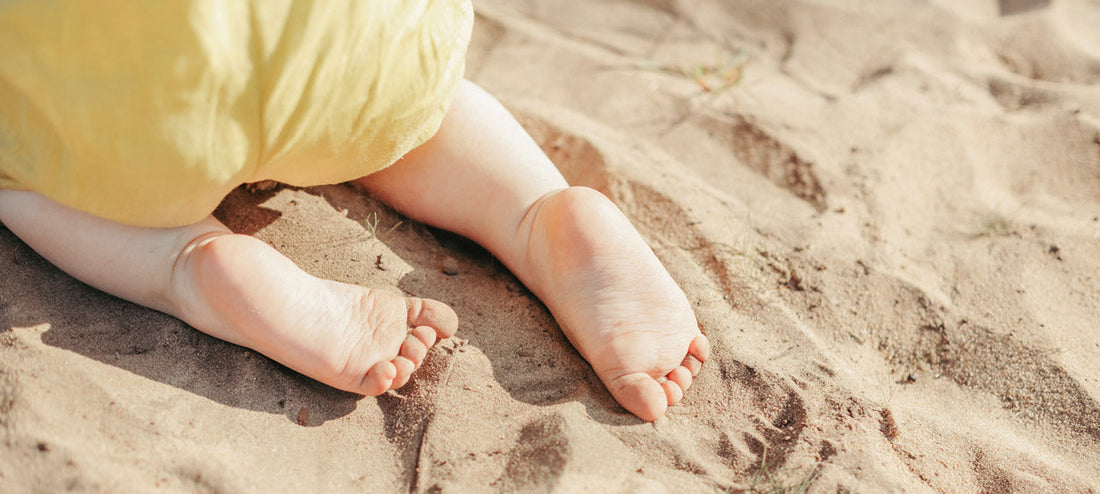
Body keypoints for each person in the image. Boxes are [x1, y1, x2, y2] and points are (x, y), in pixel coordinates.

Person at [0, 0, 707, 421]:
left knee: (22, 164)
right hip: (340, 42)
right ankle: (535, 210)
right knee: (410, 109)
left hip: (136, 99)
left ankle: (188, 262)